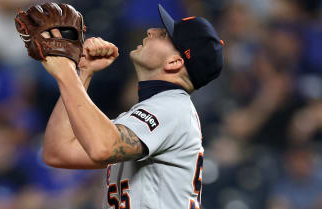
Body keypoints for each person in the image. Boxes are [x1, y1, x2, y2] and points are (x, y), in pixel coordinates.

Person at [41, 5, 223, 209]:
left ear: (174, 61)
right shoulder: (152, 112)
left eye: (163, 35)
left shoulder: (172, 107)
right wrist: (82, 73)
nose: (151, 31)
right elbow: (58, 151)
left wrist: (65, 73)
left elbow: (103, 148)